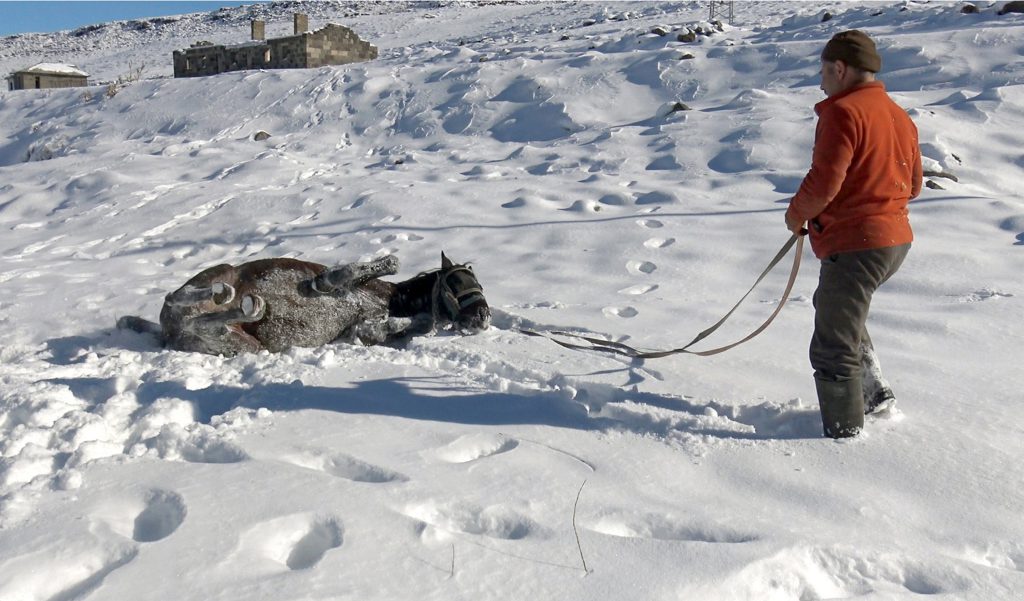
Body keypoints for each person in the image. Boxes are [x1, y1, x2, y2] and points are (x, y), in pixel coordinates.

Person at [785, 30, 922, 439]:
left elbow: (824, 182)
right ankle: (874, 394)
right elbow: (914, 185)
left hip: (858, 242)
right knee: (839, 311)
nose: (821, 81)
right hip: (895, 241)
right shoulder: (898, 114)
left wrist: (796, 216)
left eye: (824, 71)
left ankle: (845, 438)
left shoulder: (843, 112)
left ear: (840, 68)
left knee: (832, 344)